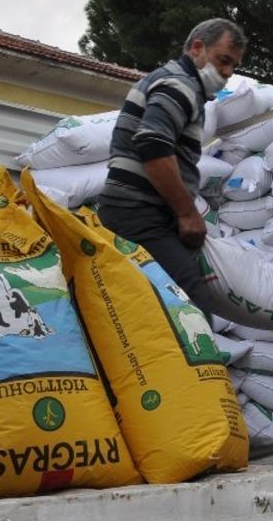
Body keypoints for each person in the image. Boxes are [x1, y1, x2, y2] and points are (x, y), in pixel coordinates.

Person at [98, 18, 245, 316]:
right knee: (191, 308)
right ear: (197, 48)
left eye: (233, 66)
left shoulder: (168, 79)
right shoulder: (181, 85)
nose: (228, 72)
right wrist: (187, 213)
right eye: (223, 60)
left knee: (148, 309)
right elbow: (152, 144)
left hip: (128, 210)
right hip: (138, 213)